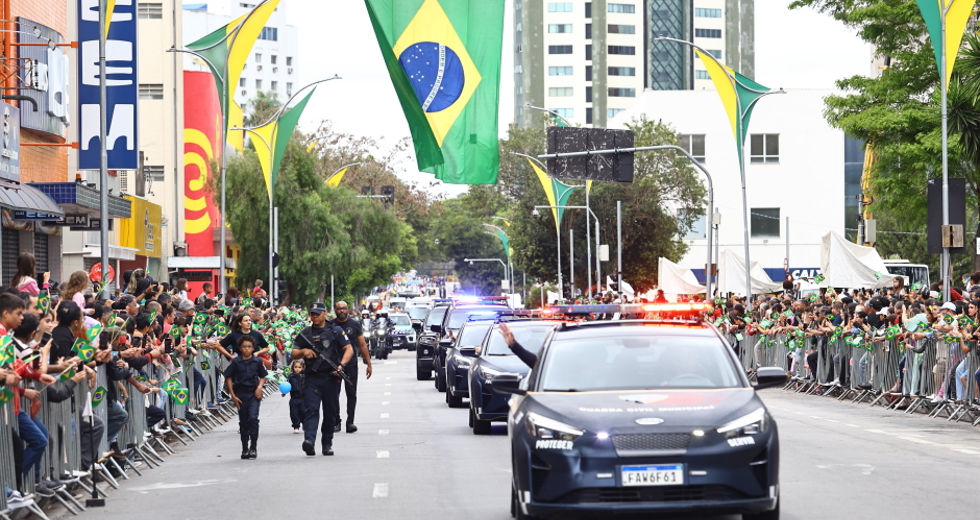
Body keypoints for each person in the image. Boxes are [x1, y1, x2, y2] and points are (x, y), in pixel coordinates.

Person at [291, 302, 352, 456]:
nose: (315, 316)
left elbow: (348, 349)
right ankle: (309, 441)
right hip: (312, 378)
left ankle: (326, 444)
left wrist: (341, 366)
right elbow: (293, 354)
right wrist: (303, 351)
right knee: (311, 410)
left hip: (331, 377)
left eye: (318, 313)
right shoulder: (306, 333)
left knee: (330, 413)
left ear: (325, 313)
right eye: (312, 313)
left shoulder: (335, 331)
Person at [223, 335, 267, 460]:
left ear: (253, 348)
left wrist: (259, 387)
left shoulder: (257, 361)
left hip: (253, 393)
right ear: (240, 348)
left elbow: (263, 375)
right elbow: (229, 377)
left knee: (253, 419)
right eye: (244, 347)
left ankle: (253, 447)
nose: (247, 349)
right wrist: (233, 395)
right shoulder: (236, 362)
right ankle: (244, 447)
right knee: (244, 421)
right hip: (240, 393)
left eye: (249, 347)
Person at [331, 301, 372, 434]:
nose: (342, 311)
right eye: (339, 309)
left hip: (351, 365)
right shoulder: (330, 325)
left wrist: (368, 363)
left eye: (344, 308)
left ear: (348, 310)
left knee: (351, 393)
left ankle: (350, 422)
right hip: (334, 365)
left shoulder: (354, 324)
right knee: (333, 394)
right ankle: (336, 421)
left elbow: (362, 345)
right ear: (335, 310)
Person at [286, 359, 306, 434]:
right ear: (293, 368)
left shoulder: (305, 376)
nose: (297, 369)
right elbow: (287, 386)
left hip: (303, 397)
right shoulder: (291, 377)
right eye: (295, 367)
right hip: (294, 397)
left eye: (299, 367)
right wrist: (284, 392)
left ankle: (305, 423)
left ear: (303, 368)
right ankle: (296, 426)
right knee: (294, 413)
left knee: (304, 412)